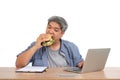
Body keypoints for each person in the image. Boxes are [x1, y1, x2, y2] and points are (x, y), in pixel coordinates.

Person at [16, 16, 84, 68]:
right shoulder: (36, 45)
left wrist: (83, 64)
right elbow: (19, 65)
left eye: (56, 30)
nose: (50, 31)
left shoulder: (71, 46)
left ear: (62, 33)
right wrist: (36, 46)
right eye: (49, 27)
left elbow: (79, 63)